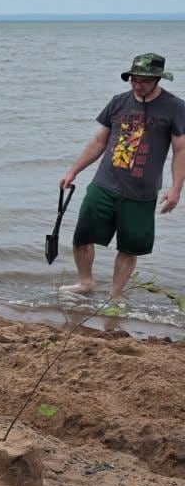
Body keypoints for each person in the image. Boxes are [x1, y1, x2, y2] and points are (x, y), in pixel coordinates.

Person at [59, 53, 185, 311]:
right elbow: (99, 141)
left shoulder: (175, 107)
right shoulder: (118, 102)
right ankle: (85, 283)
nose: (137, 85)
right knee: (82, 236)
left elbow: (181, 151)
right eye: (133, 80)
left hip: (141, 192)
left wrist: (176, 188)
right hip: (104, 184)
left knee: (129, 247)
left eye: (143, 81)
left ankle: (115, 296)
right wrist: (73, 171)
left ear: (158, 79)